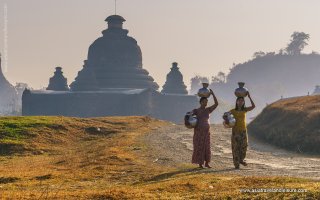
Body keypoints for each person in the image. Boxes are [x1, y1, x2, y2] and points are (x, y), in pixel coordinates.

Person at [191, 89, 218, 168]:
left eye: (206, 102)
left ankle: (207, 163)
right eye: (204, 102)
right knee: (199, 146)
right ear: (200, 102)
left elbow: (216, 104)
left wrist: (213, 94)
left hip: (206, 132)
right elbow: (189, 116)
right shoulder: (196, 111)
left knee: (207, 147)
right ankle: (200, 163)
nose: (205, 103)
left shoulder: (208, 110)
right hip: (198, 132)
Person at [229, 92, 255, 169]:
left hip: (243, 130)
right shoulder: (232, 111)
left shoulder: (245, 110)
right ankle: (236, 164)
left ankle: (241, 159)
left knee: (244, 146)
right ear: (236, 102)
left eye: (242, 101)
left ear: (243, 102)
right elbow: (225, 116)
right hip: (235, 131)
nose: (240, 102)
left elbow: (253, 106)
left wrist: (249, 97)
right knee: (235, 147)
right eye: (239, 101)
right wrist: (227, 120)